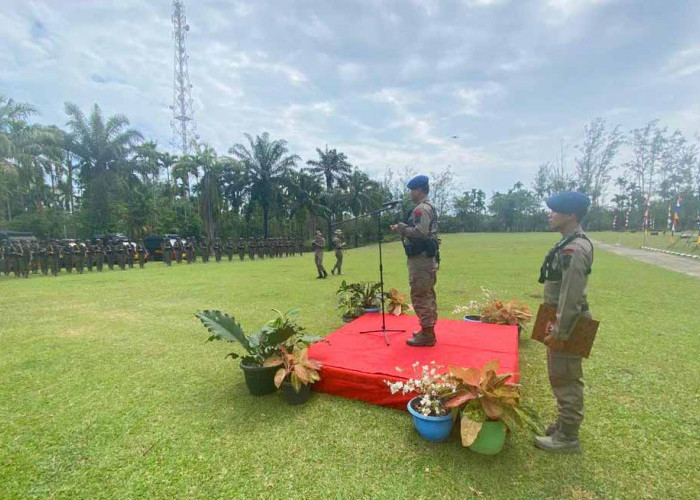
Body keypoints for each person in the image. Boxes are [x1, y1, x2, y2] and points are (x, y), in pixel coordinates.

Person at [533, 191, 594, 455]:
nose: (550, 213)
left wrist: (560, 330)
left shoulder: (574, 249)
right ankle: (562, 427)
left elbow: (571, 295)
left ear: (571, 215)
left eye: (555, 209)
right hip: (562, 318)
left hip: (568, 321)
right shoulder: (569, 242)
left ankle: (568, 437)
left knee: (567, 377)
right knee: (560, 374)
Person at [390, 175, 439, 347]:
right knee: (427, 294)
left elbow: (420, 232)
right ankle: (428, 330)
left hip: (421, 261)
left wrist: (402, 228)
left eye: (411, 190)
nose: (410, 193)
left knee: (420, 295)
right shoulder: (428, 207)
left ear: (419, 190)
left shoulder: (421, 209)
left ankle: (427, 334)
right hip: (427, 259)